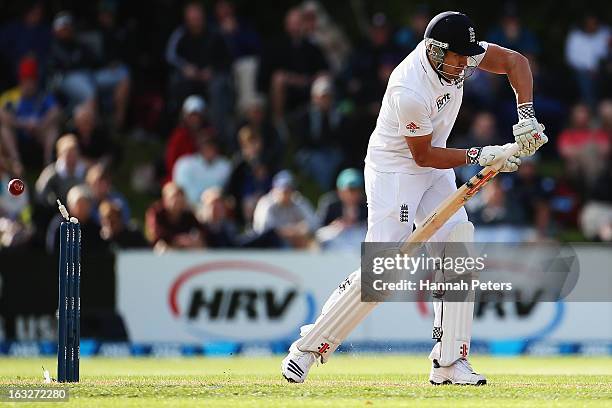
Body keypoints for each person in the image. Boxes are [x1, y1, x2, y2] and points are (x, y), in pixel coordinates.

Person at [281, 11, 547, 385]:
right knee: (383, 271)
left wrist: (527, 116)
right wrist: (479, 155)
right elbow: (421, 156)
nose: (464, 65)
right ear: (436, 52)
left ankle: (450, 362)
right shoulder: (409, 89)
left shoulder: (460, 53)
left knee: (457, 243)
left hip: (434, 162)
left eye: (467, 56)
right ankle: (308, 347)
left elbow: (514, 62)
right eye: (457, 58)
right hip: (396, 169)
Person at [0, 56, 61, 169]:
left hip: (38, 136)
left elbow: (56, 111)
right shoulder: (11, 96)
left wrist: (41, 124)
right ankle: (16, 163)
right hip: (18, 139)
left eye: (32, 80)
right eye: (26, 80)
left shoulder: (42, 96)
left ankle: (48, 165)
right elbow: (2, 115)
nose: (29, 84)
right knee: (4, 129)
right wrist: (22, 124)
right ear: (21, 80)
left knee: (52, 129)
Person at [252, 170, 319, 248]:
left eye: (290, 189)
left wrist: (295, 232)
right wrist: (296, 230)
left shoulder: (298, 200)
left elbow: (315, 224)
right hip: (270, 246)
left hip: (296, 241)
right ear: (274, 189)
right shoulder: (266, 204)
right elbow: (265, 231)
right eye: (284, 190)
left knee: (313, 242)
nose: (287, 193)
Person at [173, 135, 231, 207]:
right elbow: (180, 188)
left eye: (211, 146)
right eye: (205, 146)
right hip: (189, 209)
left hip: (214, 208)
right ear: (199, 148)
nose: (209, 150)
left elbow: (225, 191)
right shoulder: (185, 164)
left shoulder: (225, 166)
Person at [145, 182, 205, 251]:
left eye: (180, 197)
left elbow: (200, 230)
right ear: (165, 199)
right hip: (165, 247)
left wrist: (191, 239)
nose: (177, 200)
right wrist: (176, 240)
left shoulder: (187, 214)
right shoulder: (156, 212)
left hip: (185, 248)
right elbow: (156, 234)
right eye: (173, 197)